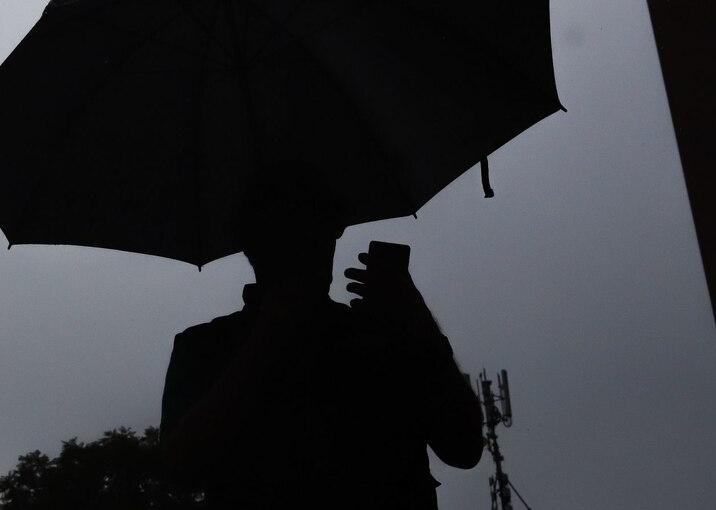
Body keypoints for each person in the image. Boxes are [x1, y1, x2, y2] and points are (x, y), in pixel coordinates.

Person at [160, 163, 483, 509]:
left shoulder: (385, 338)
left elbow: (464, 446)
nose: (323, 242)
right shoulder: (205, 347)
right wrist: (269, 338)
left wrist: (419, 327)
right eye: (303, 228)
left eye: (324, 227)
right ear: (259, 243)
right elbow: (179, 470)